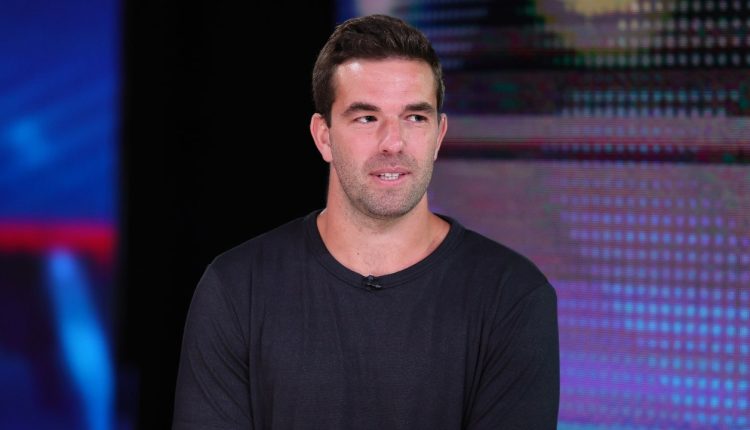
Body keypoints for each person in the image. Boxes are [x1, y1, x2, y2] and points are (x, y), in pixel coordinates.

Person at [173, 14, 559, 430]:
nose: (393, 142)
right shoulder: (237, 288)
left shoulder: (512, 297)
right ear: (324, 136)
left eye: (415, 117)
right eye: (367, 118)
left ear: (439, 135)